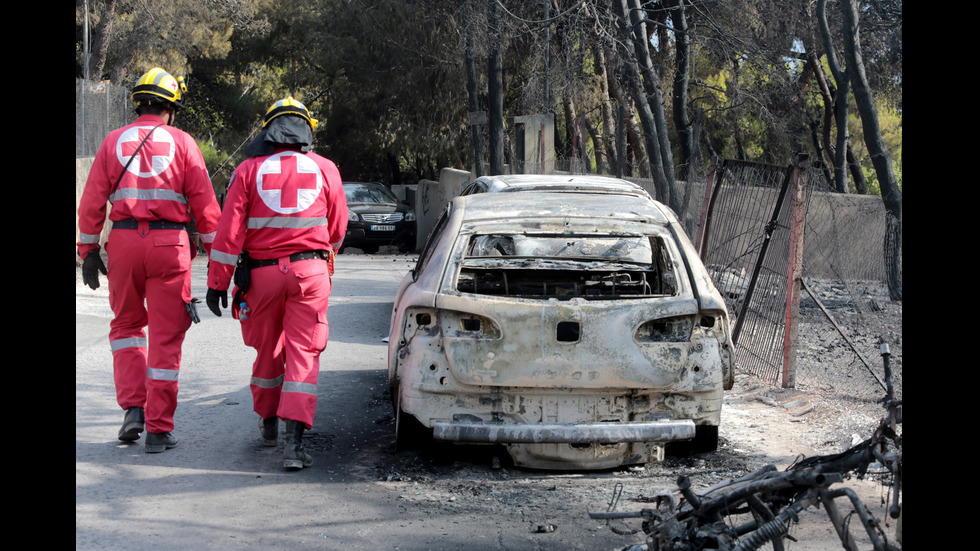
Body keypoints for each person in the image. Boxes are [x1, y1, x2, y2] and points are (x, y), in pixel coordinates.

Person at [77, 67, 222, 453]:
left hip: (123, 242)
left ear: (138, 103)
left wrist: (88, 250)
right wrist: (220, 267)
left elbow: (91, 202)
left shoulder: (112, 142)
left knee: (125, 327)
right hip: (168, 246)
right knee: (165, 335)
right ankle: (158, 429)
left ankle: (133, 410)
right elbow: (207, 209)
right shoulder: (184, 143)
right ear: (170, 109)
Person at [205, 97, 348, 471]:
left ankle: (268, 424)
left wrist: (217, 282)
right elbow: (337, 229)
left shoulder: (248, 169)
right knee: (304, 352)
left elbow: (229, 231)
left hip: (262, 276)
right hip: (310, 275)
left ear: (268, 130)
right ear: (306, 130)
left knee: (267, 351)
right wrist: (321, 256)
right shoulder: (325, 168)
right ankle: (294, 444)